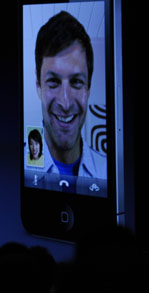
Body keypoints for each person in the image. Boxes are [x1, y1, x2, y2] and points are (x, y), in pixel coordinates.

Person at [34, 10, 106, 182]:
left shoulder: (108, 171)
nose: (65, 103)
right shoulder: (14, 167)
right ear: (38, 86)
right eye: (53, 82)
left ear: (88, 88)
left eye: (76, 82)